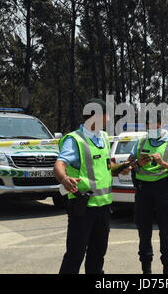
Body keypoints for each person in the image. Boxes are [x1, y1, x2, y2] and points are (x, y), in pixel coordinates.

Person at [54, 98, 131, 274]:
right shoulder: (74, 140)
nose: (109, 120)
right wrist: (64, 179)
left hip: (103, 207)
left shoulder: (103, 137)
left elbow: (106, 166)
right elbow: (59, 164)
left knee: (97, 255)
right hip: (83, 207)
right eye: (107, 116)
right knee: (75, 255)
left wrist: (121, 168)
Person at [127, 112, 168, 274]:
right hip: (143, 192)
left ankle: (167, 272)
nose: (151, 128)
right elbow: (129, 164)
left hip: (164, 191)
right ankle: (146, 272)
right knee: (143, 233)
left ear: (161, 125)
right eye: (148, 125)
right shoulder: (140, 142)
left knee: (167, 233)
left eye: (155, 125)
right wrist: (137, 163)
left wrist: (163, 163)